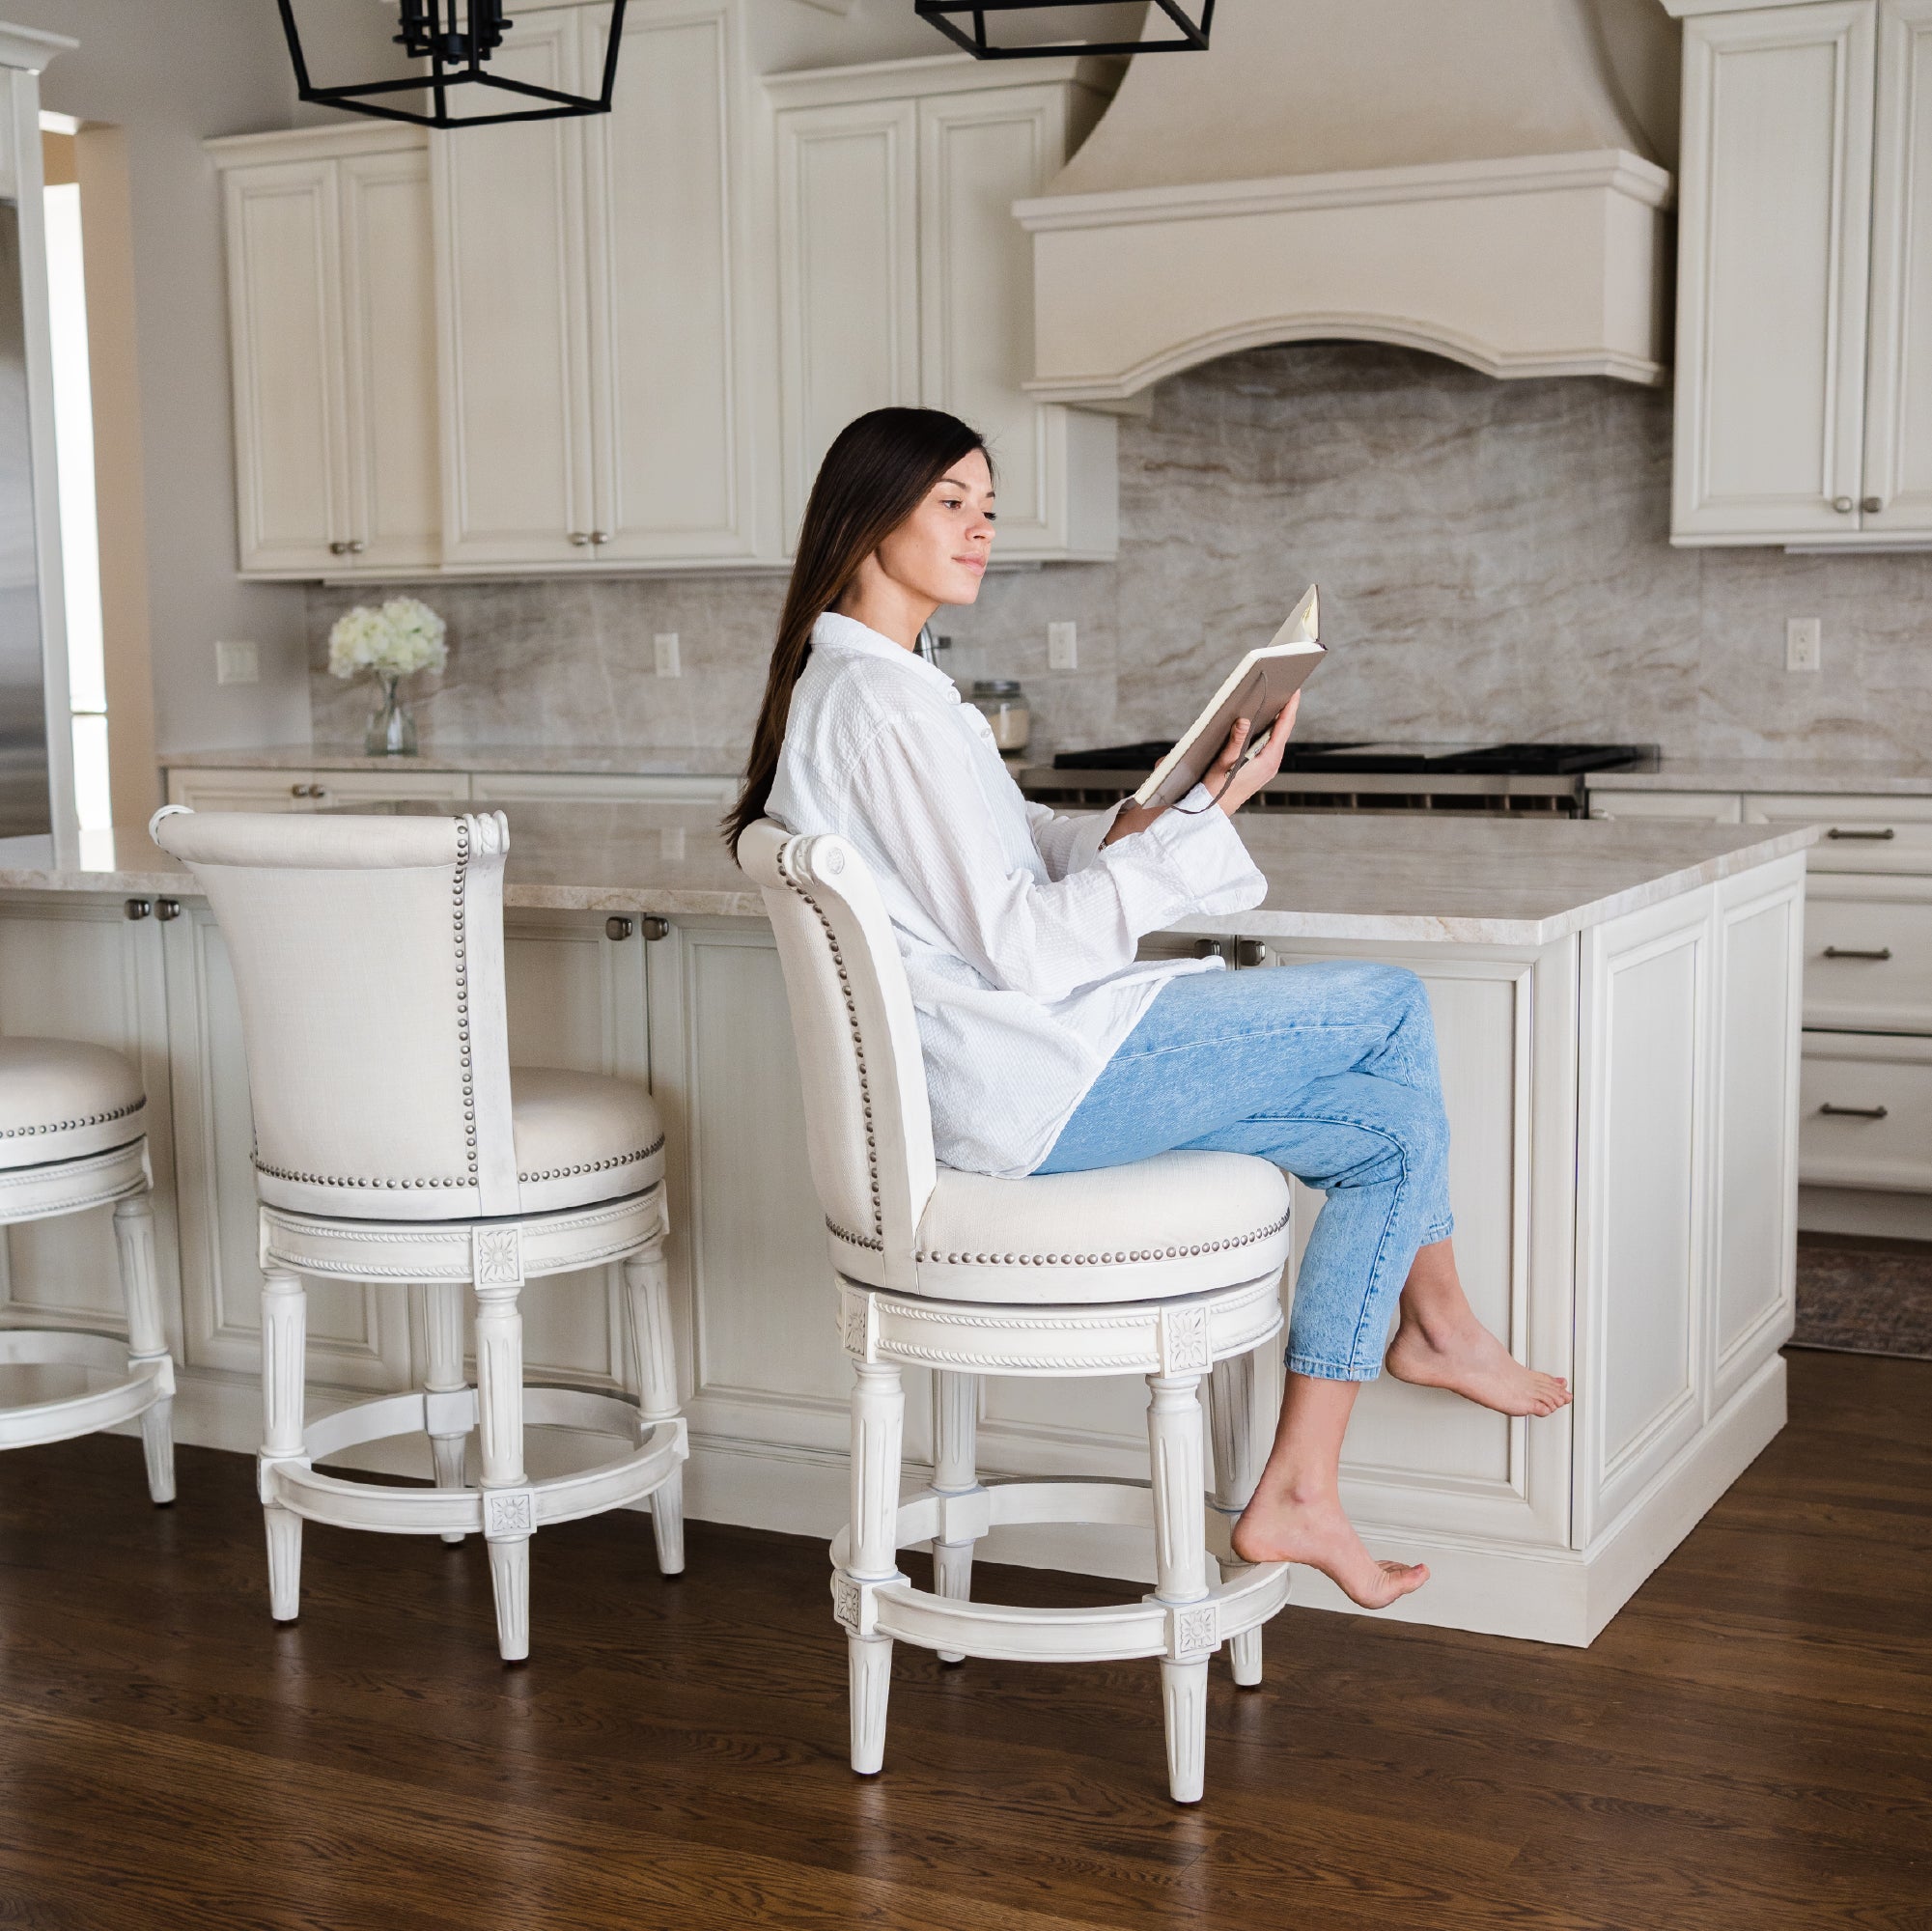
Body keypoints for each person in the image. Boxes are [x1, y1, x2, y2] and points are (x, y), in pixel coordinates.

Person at [726, 407, 1568, 1610]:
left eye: (989, 507)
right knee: (1387, 1004)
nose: (980, 528)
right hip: (1028, 1087)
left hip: (1019, 1079)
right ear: (870, 516)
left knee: (1394, 1136)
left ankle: (1304, 1487)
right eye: (951, 502)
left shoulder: (884, 686)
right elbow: (1020, 944)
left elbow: (1013, 855)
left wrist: (1166, 811)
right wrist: (1189, 839)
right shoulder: (885, 706)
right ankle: (1438, 1324)